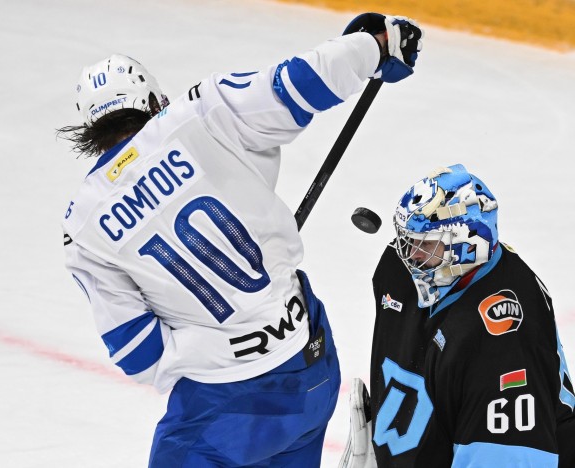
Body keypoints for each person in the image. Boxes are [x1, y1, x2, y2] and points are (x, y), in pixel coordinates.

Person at [58, 13, 423, 467]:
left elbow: (139, 355)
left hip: (224, 412)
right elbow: (299, 83)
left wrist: (219, 345)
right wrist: (374, 47)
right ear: (151, 99)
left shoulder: (84, 227)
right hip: (312, 367)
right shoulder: (201, 110)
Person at [366, 164, 575, 466]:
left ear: (468, 243)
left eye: (426, 244)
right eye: (407, 240)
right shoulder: (400, 269)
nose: (410, 256)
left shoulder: (504, 339)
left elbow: (507, 457)